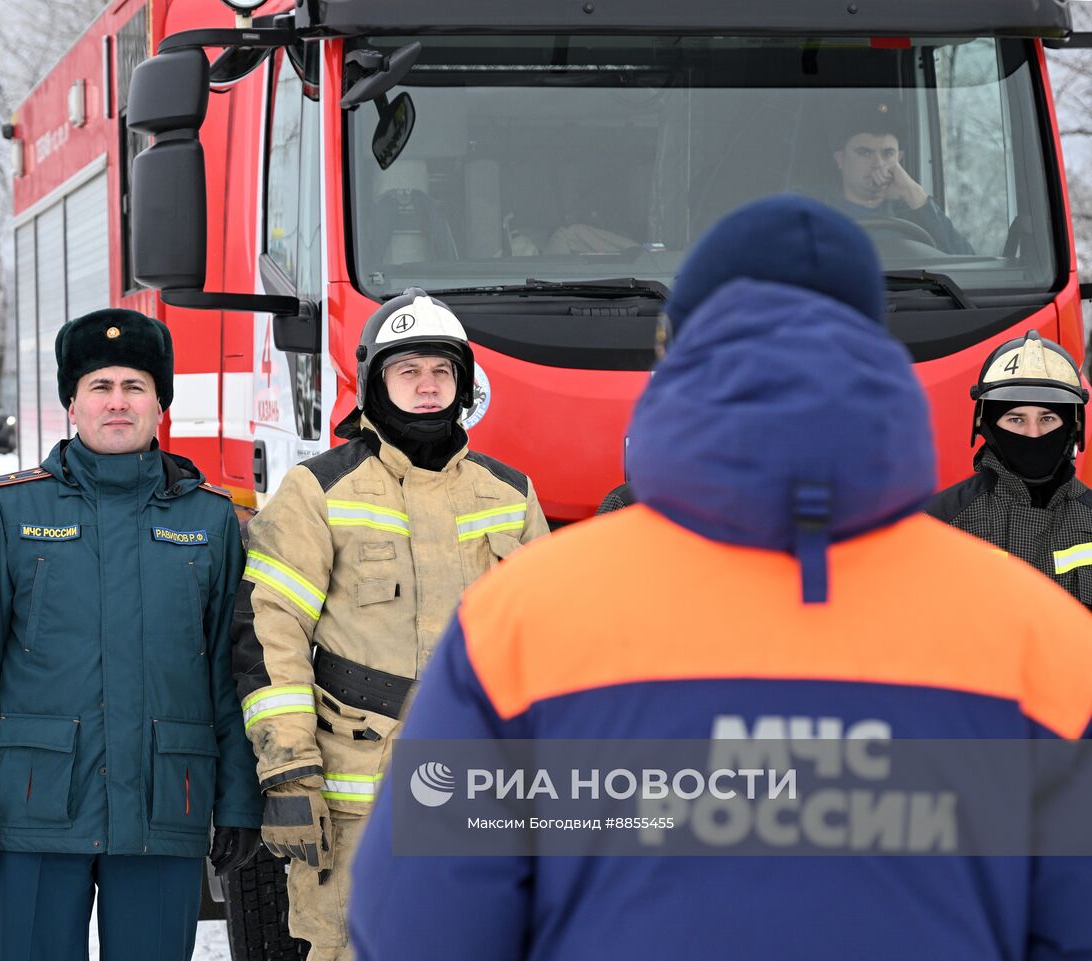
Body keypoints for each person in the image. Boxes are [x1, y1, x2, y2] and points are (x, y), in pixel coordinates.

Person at [349, 196, 1092, 960]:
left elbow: (418, 931)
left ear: (676, 353)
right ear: (874, 349)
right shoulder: (1044, 645)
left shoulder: (521, 624)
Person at [0, 308, 262, 961]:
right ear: (71, 403)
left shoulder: (211, 520)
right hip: (38, 808)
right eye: (99, 386)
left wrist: (239, 797)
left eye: (134, 386)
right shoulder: (11, 510)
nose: (117, 402)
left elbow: (234, 673)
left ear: (160, 402)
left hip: (166, 809)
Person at [234, 287, 549, 961]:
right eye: (408, 371)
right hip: (357, 801)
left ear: (464, 386)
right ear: (374, 381)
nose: (427, 386)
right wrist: (289, 770)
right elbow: (271, 635)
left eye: (442, 371)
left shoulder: (511, 494)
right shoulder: (318, 491)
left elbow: (550, 646)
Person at [926, 330, 1092, 609]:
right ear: (988, 427)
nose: (1033, 433)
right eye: (1015, 419)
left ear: (1072, 429)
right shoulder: (939, 524)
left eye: (1048, 418)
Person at [830, 102, 974, 255]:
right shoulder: (815, 212)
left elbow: (969, 268)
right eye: (865, 153)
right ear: (841, 159)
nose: (878, 164)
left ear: (899, 159)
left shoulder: (916, 216)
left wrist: (912, 191)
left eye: (888, 154)